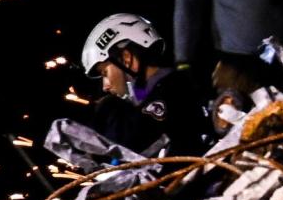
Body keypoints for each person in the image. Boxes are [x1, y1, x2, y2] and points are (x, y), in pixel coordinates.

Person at [81, 13, 208, 156]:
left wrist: (108, 110)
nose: (105, 86)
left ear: (126, 58)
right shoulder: (148, 91)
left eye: (105, 73)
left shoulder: (172, 90)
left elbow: (132, 144)